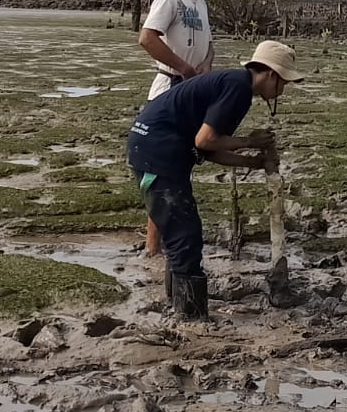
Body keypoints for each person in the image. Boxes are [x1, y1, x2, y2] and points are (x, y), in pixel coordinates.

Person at [127, 40, 304, 319]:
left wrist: (253, 161)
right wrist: (250, 141)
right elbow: (206, 140)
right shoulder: (238, 89)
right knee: (184, 235)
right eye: (283, 83)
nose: (282, 90)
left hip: (154, 146)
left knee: (179, 234)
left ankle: (178, 304)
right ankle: (191, 317)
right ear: (271, 73)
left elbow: (207, 149)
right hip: (157, 151)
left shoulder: (233, 83)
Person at [135, 0, 215, 258]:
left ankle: (161, 244)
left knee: (179, 170)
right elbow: (147, 37)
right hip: (169, 91)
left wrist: (206, 68)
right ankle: (153, 248)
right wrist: (183, 68)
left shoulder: (200, 2)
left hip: (192, 94)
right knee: (162, 174)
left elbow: (208, 44)